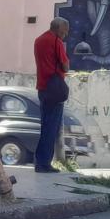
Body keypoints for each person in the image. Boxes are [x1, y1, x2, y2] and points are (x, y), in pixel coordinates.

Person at [33, 17, 70, 174]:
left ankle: (40, 161)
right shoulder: (56, 42)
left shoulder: (39, 40)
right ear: (58, 29)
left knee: (45, 125)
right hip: (55, 88)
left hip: (43, 87)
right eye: (64, 32)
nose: (65, 35)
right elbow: (65, 66)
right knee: (51, 128)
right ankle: (44, 163)